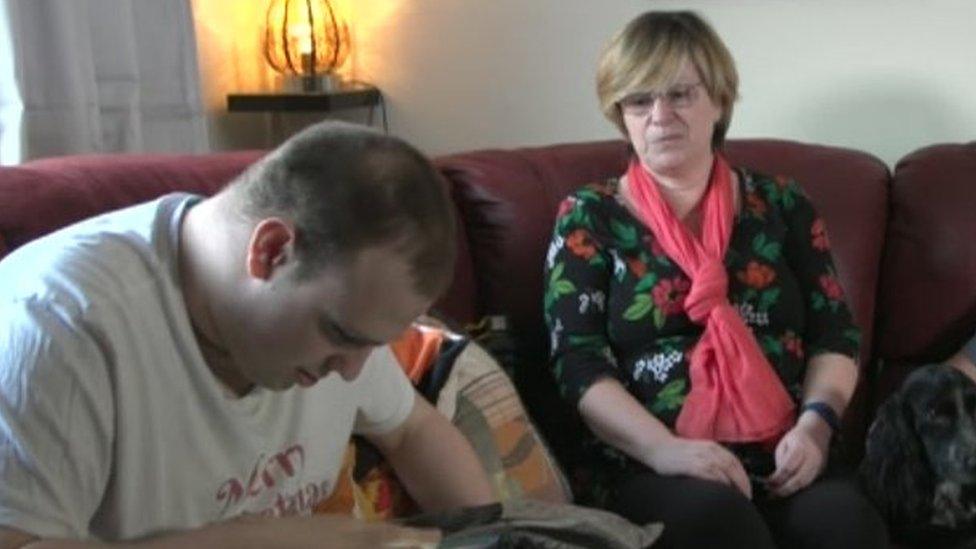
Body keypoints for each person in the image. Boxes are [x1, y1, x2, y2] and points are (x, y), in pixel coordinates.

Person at [0, 121, 494, 547]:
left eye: (372, 344)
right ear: (272, 251)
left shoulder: (339, 314)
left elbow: (411, 430)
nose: (351, 372)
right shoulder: (60, 325)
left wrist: (492, 536)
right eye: (341, 335)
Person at [542, 11, 888, 548]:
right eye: (639, 100)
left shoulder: (783, 203)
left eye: (680, 94)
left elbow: (835, 334)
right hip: (651, 465)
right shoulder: (589, 216)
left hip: (786, 453)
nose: (660, 116)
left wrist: (816, 426)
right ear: (621, 114)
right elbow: (578, 364)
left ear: (720, 100)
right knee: (720, 528)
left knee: (846, 525)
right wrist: (665, 449)